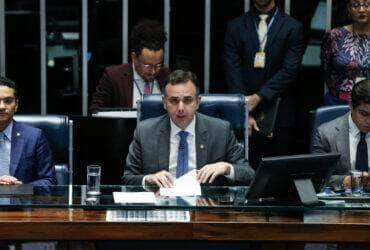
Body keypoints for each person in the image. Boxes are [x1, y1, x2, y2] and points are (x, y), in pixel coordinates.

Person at [122, 70, 255, 187]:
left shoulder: (220, 130)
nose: (180, 108)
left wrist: (227, 168)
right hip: (161, 206)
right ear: (164, 103)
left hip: (205, 207)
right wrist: (149, 179)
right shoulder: (145, 131)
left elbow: (248, 173)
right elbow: (127, 179)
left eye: (187, 100)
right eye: (174, 101)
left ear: (198, 102)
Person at [223, 0, 305, 167]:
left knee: (278, 173)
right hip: (243, 111)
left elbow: (290, 70)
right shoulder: (235, 26)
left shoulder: (292, 27)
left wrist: (259, 97)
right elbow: (232, 68)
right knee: (243, 170)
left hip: (280, 112)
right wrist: (244, 108)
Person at [89, 19, 170, 113]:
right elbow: (95, 111)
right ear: (134, 57)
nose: (153, 71)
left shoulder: (166, 75)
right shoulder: (114, 77)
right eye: (147, 66)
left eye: (158, 65)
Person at [312, 79, 370, 189]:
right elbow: (317, 178)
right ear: (351, 105)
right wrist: (347, 181)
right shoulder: (326, 134)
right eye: (364, 114)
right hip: (342, 200)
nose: (369, 121)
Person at [0, 77, 56, 185]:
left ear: (16, 105)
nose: (2, 106)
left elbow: (50, 181)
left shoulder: (33, 137)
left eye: (8, 101)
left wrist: (23, 188)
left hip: (20, 200)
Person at [321, 0, 370, 106]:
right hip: (337, 101)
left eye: (367, 5)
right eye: (356, 5)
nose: (361, 10)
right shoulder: (335, 35)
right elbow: (326, 68)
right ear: (349, 9)